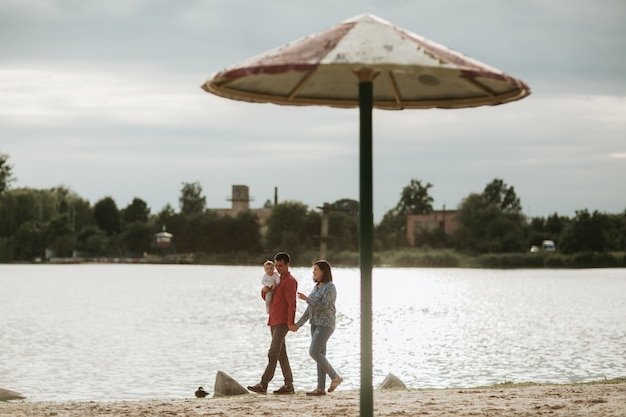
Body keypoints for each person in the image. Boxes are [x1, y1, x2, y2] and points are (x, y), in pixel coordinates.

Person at [289, 260, 343, 396]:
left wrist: (307, 299)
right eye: (313, 270)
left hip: (326, 324)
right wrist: (298, 324)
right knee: (320, 355)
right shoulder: (317, 287)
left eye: (315, 270)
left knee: (313, 352)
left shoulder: (331, 287)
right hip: (314, 324)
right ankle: (320, 388)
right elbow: (310, 309)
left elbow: (324, 306)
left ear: (323, 272)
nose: (313, 273)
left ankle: (335, 377)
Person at [247, 252, 298, 395]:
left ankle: (263, 384)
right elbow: (269, 298)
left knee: (273, 352)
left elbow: (292, 303)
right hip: (273, 320)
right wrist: (264, 291)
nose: (278, 268)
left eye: (280, 266)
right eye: (276, 265)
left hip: (282, 323)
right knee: (281, 354)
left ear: (287, 264)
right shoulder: (276, 280)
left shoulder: (289, 281)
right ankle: (289, 385)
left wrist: (290, 322)